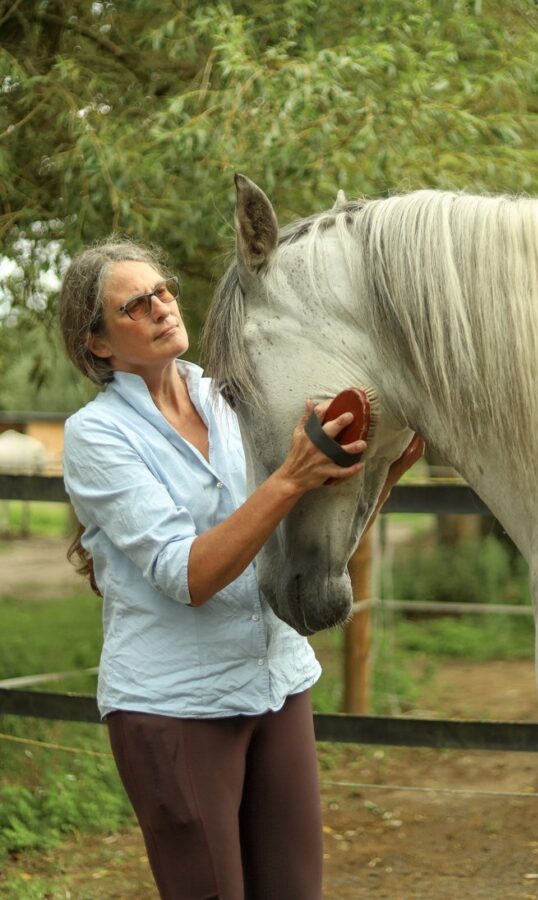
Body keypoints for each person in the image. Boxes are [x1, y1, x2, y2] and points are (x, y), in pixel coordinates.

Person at [59, 237, 423, 900]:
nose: (161, 307)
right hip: (175, 708)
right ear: (99, 345)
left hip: (276, 684)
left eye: (161, 291)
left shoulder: (233, 393)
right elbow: (186, 575)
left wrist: (388, 471)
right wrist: (289, 478)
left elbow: (301, 551)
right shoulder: (98, 435)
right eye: (133, 306)